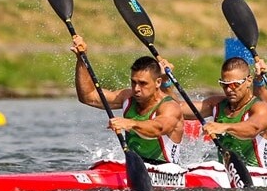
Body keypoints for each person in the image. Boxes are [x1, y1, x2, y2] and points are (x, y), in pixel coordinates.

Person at [71, 35, 184, 165]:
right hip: (135, 167)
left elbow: (158, 128)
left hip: (166, 170)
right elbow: (88, 96)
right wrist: (81, 58)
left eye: (143, 83)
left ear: (158, 82)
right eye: (133, 82)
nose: (136, 88)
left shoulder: (169, 107)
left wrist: (130, 123)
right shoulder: (127, 97)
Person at [164, 56, 267, 169]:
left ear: (249, 81)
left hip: (257, 178)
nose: (228, 90)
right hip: (225, 175)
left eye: (234, 84)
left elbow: (253, 129)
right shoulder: (216, 104)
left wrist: (224, 127)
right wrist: (166, 82)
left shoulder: (261, 108)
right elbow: (175, 109)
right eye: (224, 84)